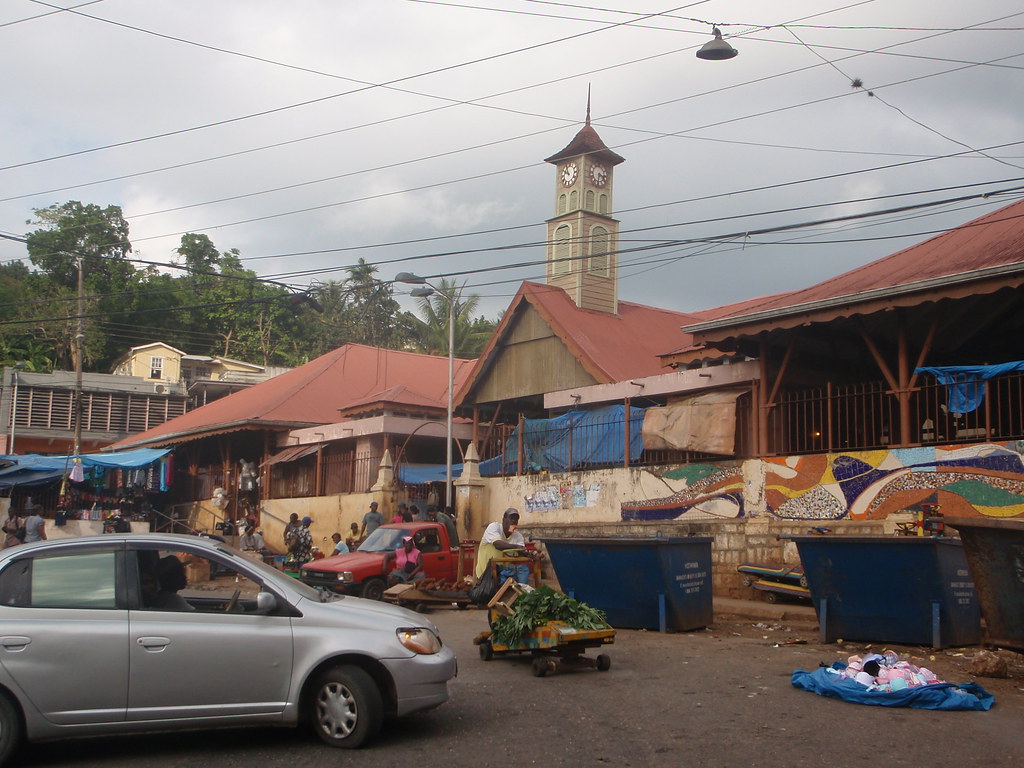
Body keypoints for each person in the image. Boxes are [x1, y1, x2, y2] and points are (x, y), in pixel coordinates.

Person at [475, 508, 533, 584]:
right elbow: (497, 544)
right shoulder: (494, 527)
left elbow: (521, 552)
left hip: (504, 574)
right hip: (485, 575)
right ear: (504, 519)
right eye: (511, 518)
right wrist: (516, 547)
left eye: (516, 519)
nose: (513, 521)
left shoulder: (518, 536)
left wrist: (529, 554)